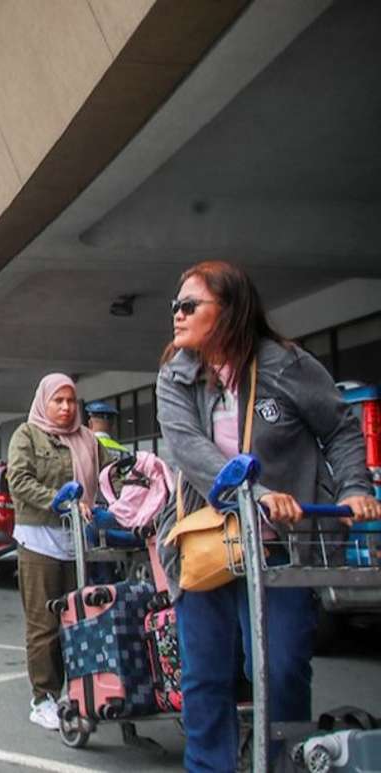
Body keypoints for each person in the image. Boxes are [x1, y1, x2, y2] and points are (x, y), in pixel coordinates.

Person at [155, 260, 380, 771]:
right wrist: (252, 491)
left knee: (280, 670)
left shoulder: (286, 364)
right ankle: (209, 766)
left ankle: (282, 763)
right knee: (205, 674)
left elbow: (340, 429)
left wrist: (354, 487)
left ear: (230, 310)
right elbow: (188, 448)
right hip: (207, 542)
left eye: (190, 305)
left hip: (280, 545)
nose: (177, 314)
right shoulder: (176, 373)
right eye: (175, 305)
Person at [6, 374, 108, 731]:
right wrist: (60, 501)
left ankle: (81, 692)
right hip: (40, 541)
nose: (66, 408)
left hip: (81, 543)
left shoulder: (89, 441)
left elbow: (110, 478)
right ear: (44, 401)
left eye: (71, 401)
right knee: (44, 625)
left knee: (81, 620)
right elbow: (18, 481)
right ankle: (43, 698)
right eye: (58, 401)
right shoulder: (27, 435)